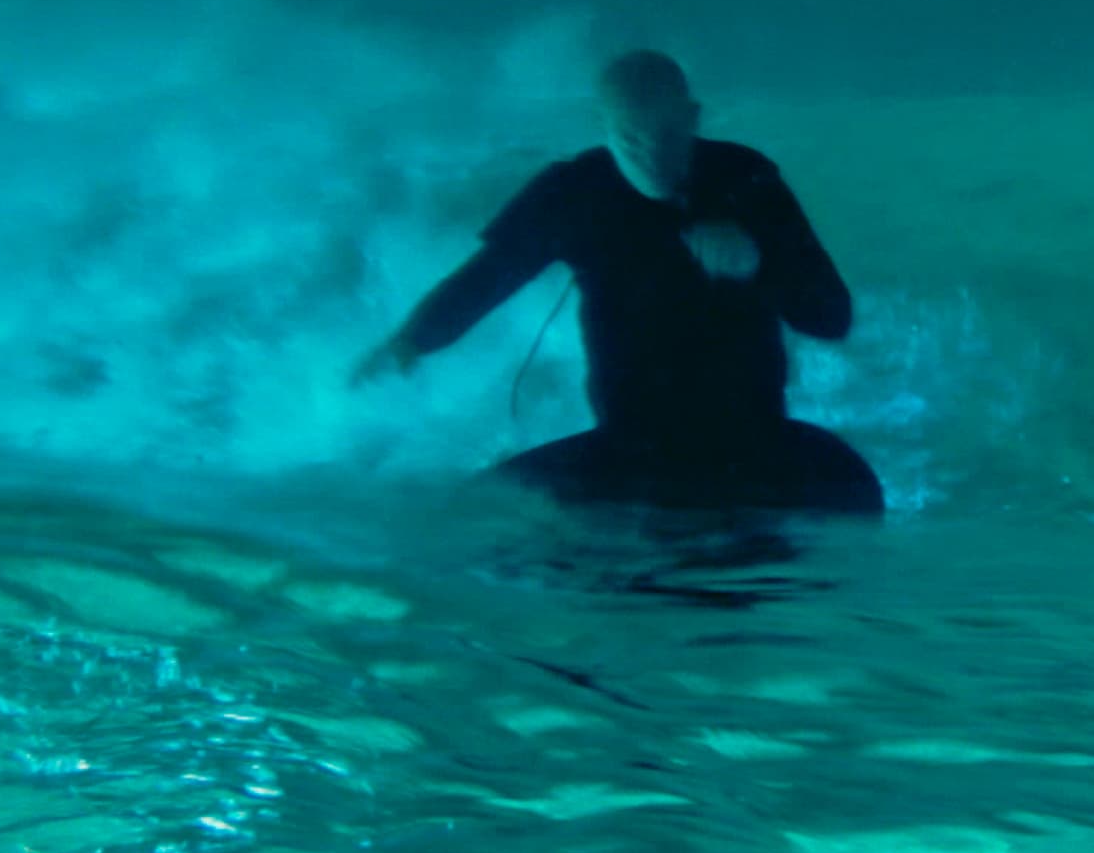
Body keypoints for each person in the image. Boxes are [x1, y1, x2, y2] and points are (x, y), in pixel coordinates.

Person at [352, 49, 884, 517]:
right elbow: (489, 277)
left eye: (669, 136)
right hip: (630, 450)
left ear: (692, 116)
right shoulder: (572, 192)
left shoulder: (746, 180)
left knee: (855, 502)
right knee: (473, 519)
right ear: (601, 124)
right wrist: (412, 340)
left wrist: (758, 264)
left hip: (753, 442)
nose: (652, 158)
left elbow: (831, 317)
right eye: (631, 138)